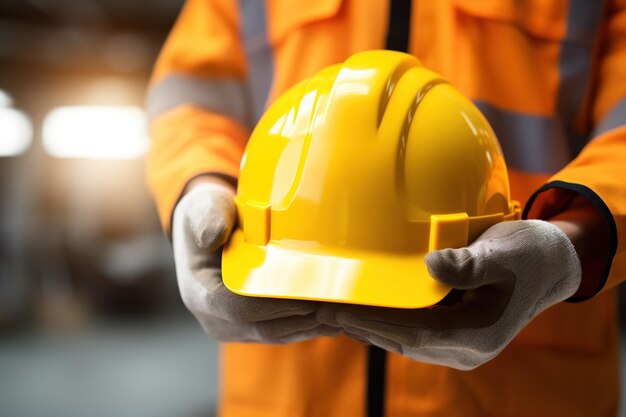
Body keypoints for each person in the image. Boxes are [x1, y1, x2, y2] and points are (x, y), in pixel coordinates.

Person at [146, 1, 626, 416]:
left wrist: (579, 236)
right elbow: (191, 93)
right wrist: (199, 182)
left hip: (521, 376)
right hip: (289, 381)